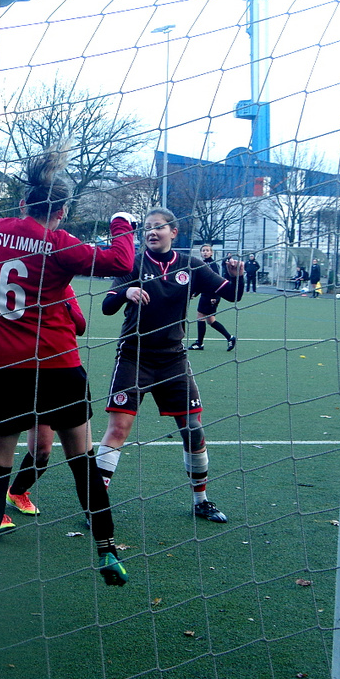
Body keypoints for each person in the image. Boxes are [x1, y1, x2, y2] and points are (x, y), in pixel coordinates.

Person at [0, 148, 137, 594]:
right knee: (81, 462)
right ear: (61, 212)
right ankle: (106, 550)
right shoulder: (61, 246)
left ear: (24, 203)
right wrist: (122, 221)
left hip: (5, 370)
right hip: (58, 368)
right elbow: (121, 263)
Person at [97, 207, 243, 523]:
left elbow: (232, 295)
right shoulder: (132, 263)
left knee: (193, 428)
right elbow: (108, 306)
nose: (151, 232)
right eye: (147, 227)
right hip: (135, 356)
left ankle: (201, 501)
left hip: (174, 359)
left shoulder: (191, 265)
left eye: (158, 227)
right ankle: (97, 504)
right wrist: (127, 291)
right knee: (118, 428)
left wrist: (236, 275)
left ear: (173, 232)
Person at [3, 286, 88, 521]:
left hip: (53, 374)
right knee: (1, 446)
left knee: (42, 451)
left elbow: (80, 326)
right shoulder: (15, 282)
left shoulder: (64, 287)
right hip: (15, 372)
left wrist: (64, 303)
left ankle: (17, 492)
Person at [189, 243, 236, 352]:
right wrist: (195, 293)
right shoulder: (202, 263)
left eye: (207, 250)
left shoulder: (212, 265)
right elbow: (201, 282)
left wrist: (214, 297)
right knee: (210, 320)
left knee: (200, 316)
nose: (205, 252)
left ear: (211, 252)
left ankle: (199, 343)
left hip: (210, 295)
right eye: (203, 250)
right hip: (206, 294)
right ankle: (230, 338)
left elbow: (215, 281)